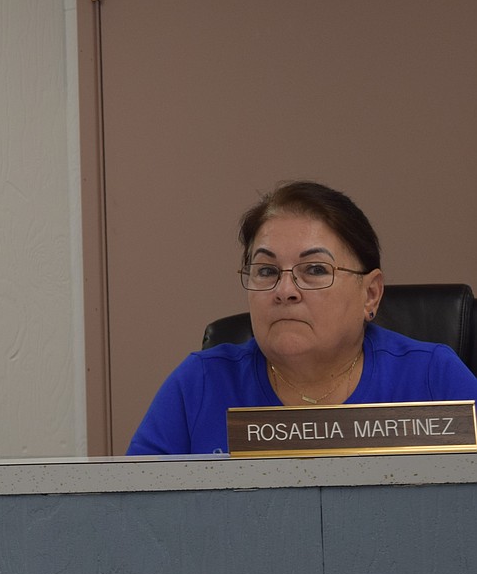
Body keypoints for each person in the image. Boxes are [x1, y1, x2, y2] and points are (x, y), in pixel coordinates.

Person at [127, 180, 477, 456]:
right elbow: (137, 520)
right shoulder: (199, 384)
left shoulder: (434, 378)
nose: (285, 290)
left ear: (370, 294)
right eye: (266, 270)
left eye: (314, 269)